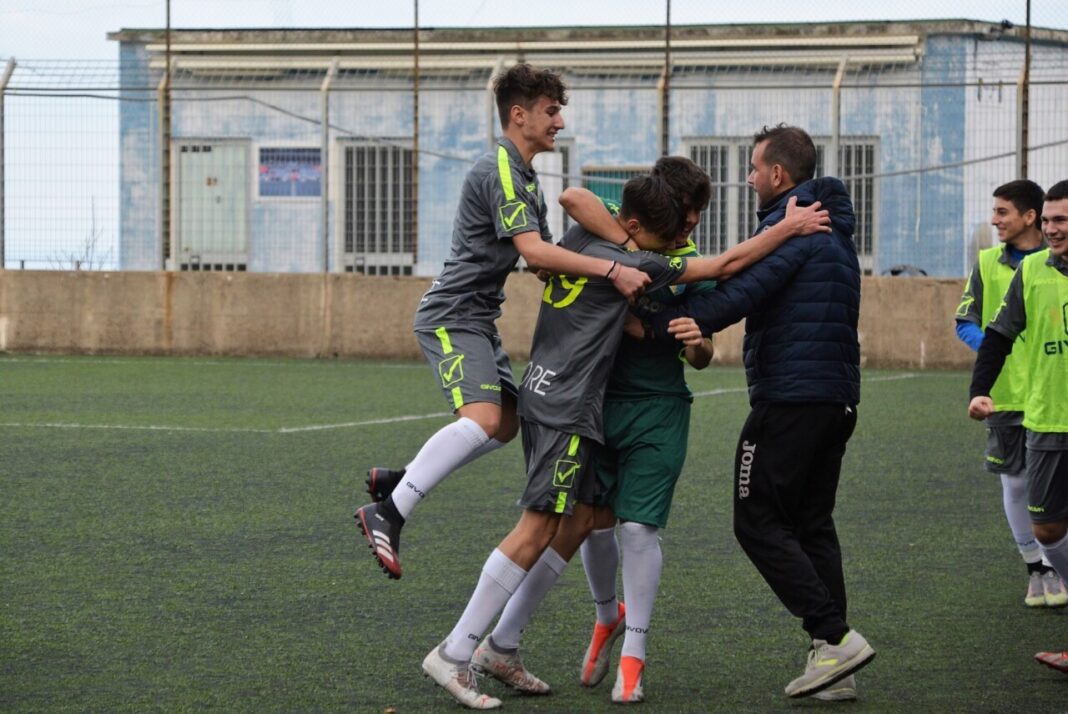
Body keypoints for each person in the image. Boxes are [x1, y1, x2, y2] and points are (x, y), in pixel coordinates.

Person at [421, 174, 827, 709]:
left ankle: (519, 644)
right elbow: (715, 262)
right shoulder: (641, 250)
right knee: (552, 524)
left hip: (591, 400)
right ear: (651, 216)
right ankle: (463, 644)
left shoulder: (612, 242)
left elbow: (702, 341)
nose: (691, 227)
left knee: (595, 523)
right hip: (582, 406)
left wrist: (694, 340)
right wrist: (627, 261)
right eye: (686, 217)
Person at [354, 63, 650, 580]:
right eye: (551, 111)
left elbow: (541, 261)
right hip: (452, 315)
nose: (560, 121)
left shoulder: (526, 178)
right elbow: (536, 251)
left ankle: (399, 481)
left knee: (506, 425)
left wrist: (616, 264)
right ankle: (390, 511)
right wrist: (615, 268)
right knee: (485, 421)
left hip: (478, 320)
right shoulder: (500, 172)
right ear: (519, 115)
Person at [641, 124, 874, 700]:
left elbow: (744, 287)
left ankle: (833, 635)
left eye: (752, 168)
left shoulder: (795, 225)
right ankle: (831, 664)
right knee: (811, 523)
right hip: (835, 398)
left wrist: (681, 317)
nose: (747, 178)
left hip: (792, 398)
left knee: (756, 520)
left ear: (778, 174)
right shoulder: (833, 228)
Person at [968, 179, 1068, 676]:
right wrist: (981, 379)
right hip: (1031, 407)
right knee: (1034, 507)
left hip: (1050, 405)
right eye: (1048, 220)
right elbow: (987, 329)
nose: (1052, 228)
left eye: (1060, 220)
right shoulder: (1017, 269)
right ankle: (1038, 565)